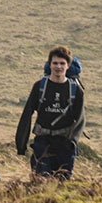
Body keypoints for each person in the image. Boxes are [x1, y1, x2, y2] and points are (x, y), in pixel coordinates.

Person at [15, 45, 86, 179]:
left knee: (62, 185)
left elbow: (80, 119)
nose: (58, 67)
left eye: (62, 63)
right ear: (50, 64)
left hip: (65, 145)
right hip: (42, 143)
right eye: (55, 63)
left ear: (68, 65)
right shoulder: (40, 86)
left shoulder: (76, 90)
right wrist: (21, 144)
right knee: (40, 182)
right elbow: (27, 115)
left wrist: (72, 142)